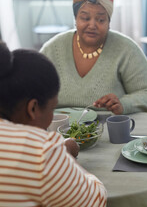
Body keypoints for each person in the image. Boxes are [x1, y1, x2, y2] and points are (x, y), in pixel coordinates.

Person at [0, 42, 107, 206]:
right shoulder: (41, 153)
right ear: (33, 108)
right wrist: (65, 159)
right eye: (52, 109)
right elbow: (96, 200)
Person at [40, 0, 147, 115]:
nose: (92, 25)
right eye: (85, 18)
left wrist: (123, 104)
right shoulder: (53, 48)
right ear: (75, 19)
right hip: (58, 128)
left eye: (101, 20)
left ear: (109, 22)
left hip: (110, 126)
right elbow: (32, 91)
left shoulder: (126, 49)